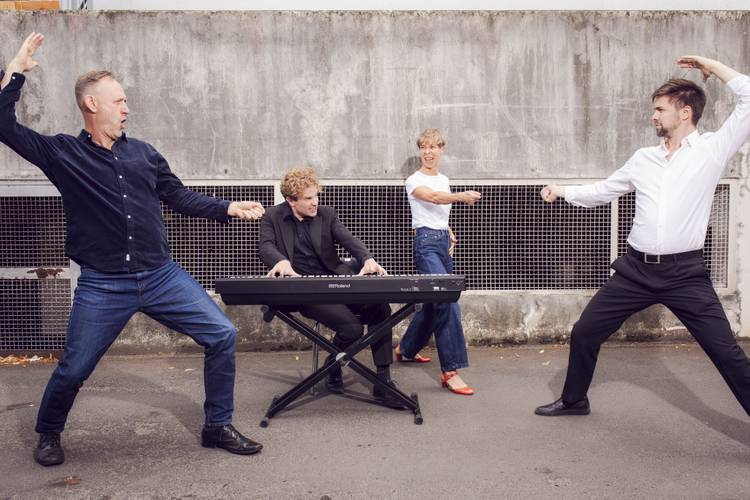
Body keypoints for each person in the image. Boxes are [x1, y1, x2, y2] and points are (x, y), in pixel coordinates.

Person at [0, 33, 266, 466]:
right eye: (119, 100)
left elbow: (178, 196)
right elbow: (4, 125)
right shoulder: (62, 153)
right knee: (74, 367)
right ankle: (48, 433)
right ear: (92, 104)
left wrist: (227, 208)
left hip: (161, 275)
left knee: (222, 334)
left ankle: (217, 425)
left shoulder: (144, 154)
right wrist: (15, 71)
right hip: (104, 284)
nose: (126, 108)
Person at [535, 55, 750, 418]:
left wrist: (709, 65)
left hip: (685, 275)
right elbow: (605, 190)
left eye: (660, 109)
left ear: (684, 112)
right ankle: (574, 400)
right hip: (635, 271)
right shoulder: (643, 158)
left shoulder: (713, 149)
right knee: (585, 331)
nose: (653, 116)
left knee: (726, 353)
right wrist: (564, 191)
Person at [258, 167, 400, 403]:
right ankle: (332, 367)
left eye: (316, 195)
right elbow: (265, 247)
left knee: (380, 306)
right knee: (352, 328)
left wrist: (367, 258)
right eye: (308, 198)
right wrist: (280, 261)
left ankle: (383, 379)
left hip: (336, 280)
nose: (315, 202)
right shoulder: (273, 216)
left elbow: (348, 239)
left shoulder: (326, 214)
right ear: (291, 200)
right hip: (306, 291)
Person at [396, 128, 481, 395]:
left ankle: (406, 349)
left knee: (435, 304)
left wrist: (448, 231)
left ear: (441, 149)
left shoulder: (444, 179)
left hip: (442, 243)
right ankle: (451, 371)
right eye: (424, 147)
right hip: (426, 246)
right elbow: (432, 198)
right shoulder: (414, 180)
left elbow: (437, 211)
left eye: (433, 147)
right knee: (448, 302)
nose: (428, 152)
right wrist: (461, 196)